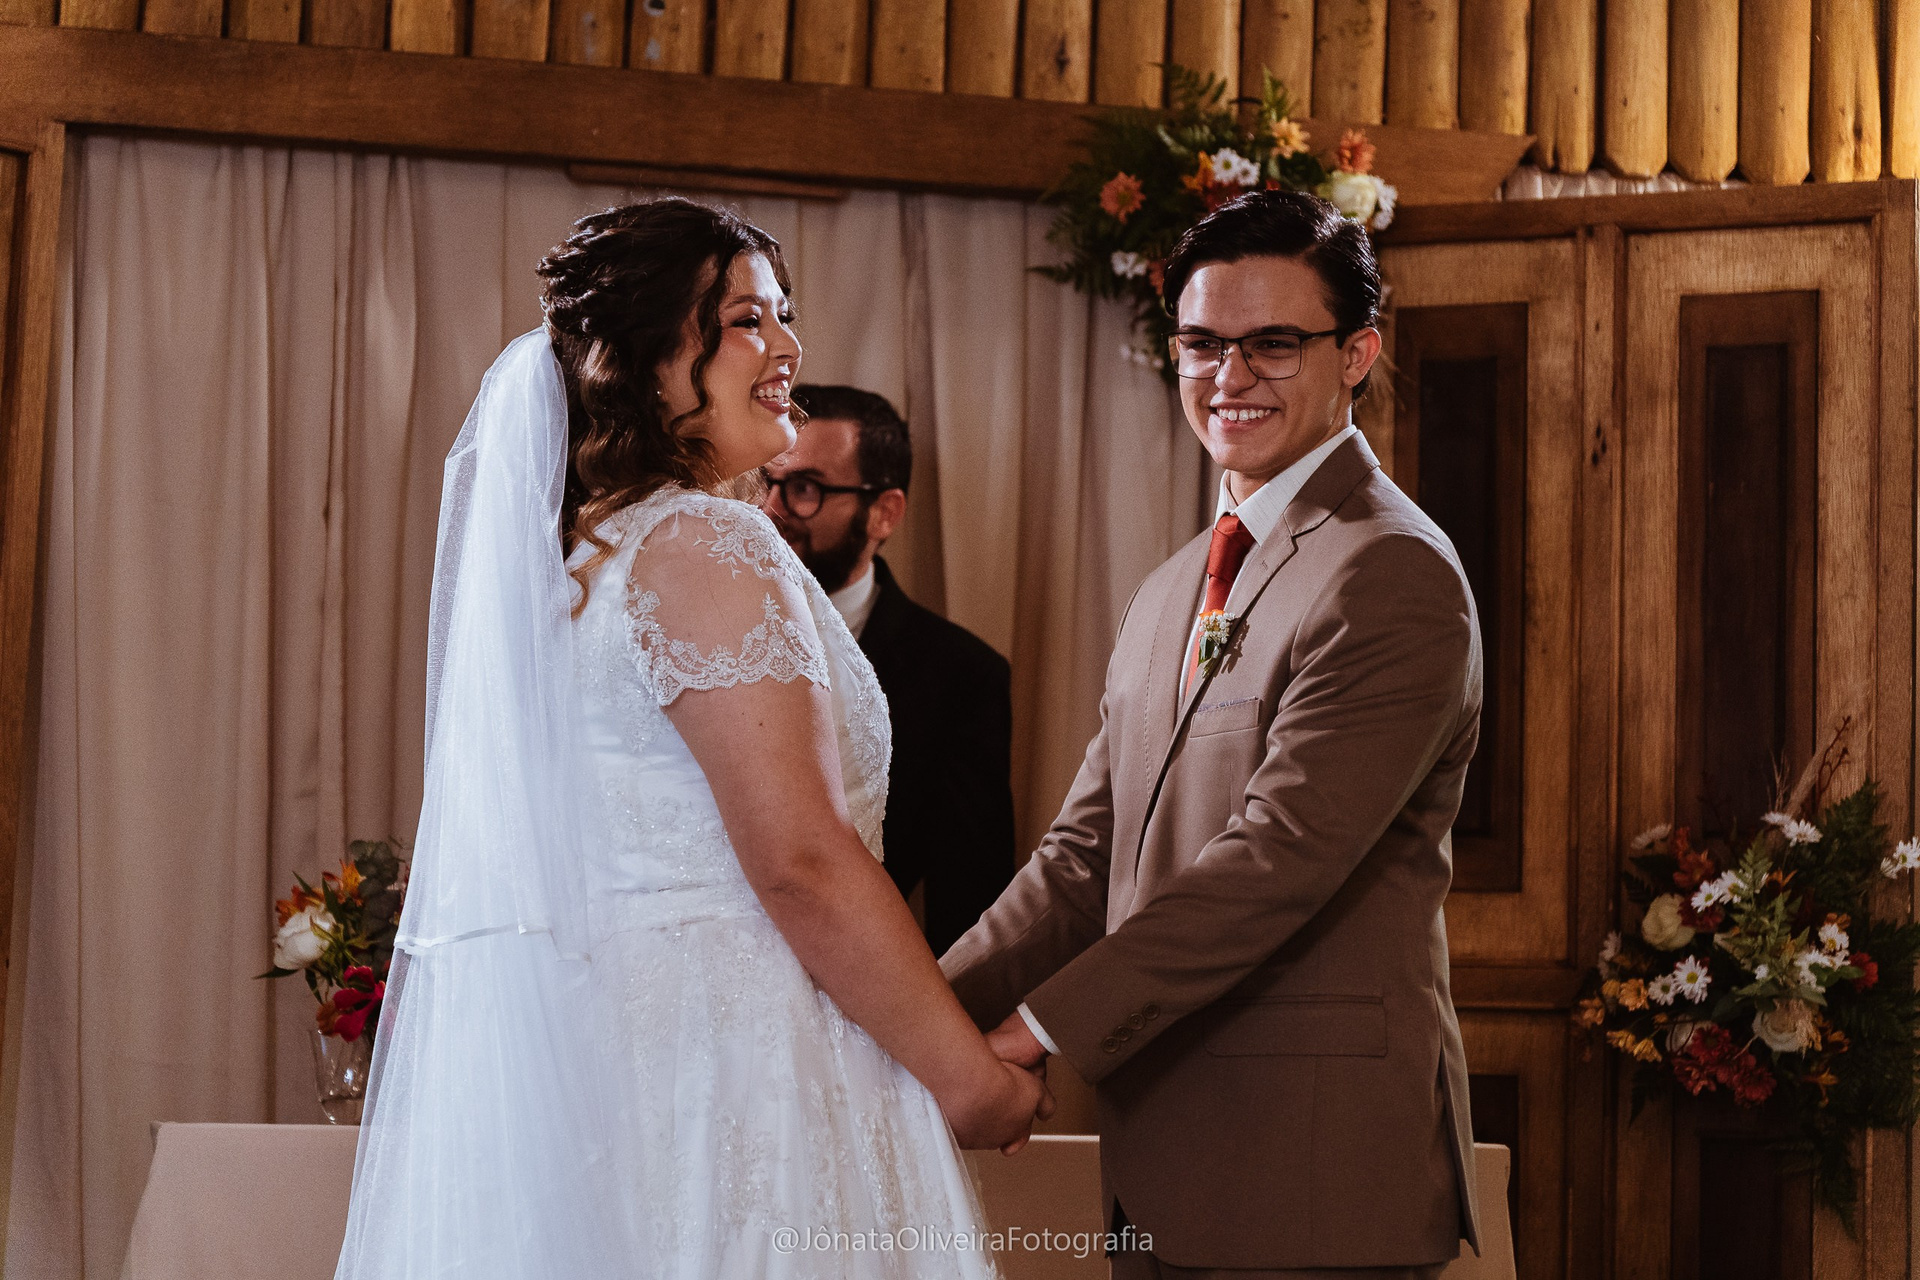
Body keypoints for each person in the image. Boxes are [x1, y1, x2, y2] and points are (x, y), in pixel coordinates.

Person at [334, 197, 1049, 1280]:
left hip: (607, 1071)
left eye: (785, 315)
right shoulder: (707, 542)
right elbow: (800, 861)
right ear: (651, 360)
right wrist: (970, 1081)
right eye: (748, 321)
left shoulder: (582, 560)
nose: (788, 348)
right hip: (740, 1075)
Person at [940, 189, 1485, 1278]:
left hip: (1312, 1174)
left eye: (1273, 343)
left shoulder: (1391, 569)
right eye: (1201, 343)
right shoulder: (1173, 584)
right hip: (1161, 1160)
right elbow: (1083, 856)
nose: (1229, 376)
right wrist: (918, 1016)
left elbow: (1277, 861)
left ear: (1357, 354)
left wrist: (1037, 1031)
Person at [760, 385, 1017, 954]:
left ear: (884, 513)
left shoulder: (961, 677)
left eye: (805, 488)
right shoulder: (694, 630)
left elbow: (968, 898)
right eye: (764, 482)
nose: (771, 509)